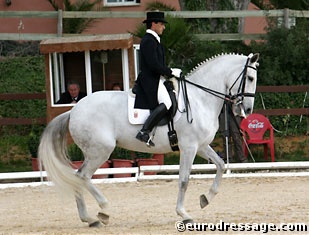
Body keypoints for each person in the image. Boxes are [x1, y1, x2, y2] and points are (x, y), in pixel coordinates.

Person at [134, 11, 181, 147]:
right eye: (161, 24)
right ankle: (144, 131)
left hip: (156, 78)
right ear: (153, 24)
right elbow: (154, 65)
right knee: (167, 102)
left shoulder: (153, 40)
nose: (163, 27)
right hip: (150, 80)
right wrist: (170, 71)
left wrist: (168, 72)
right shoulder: (149, 41)